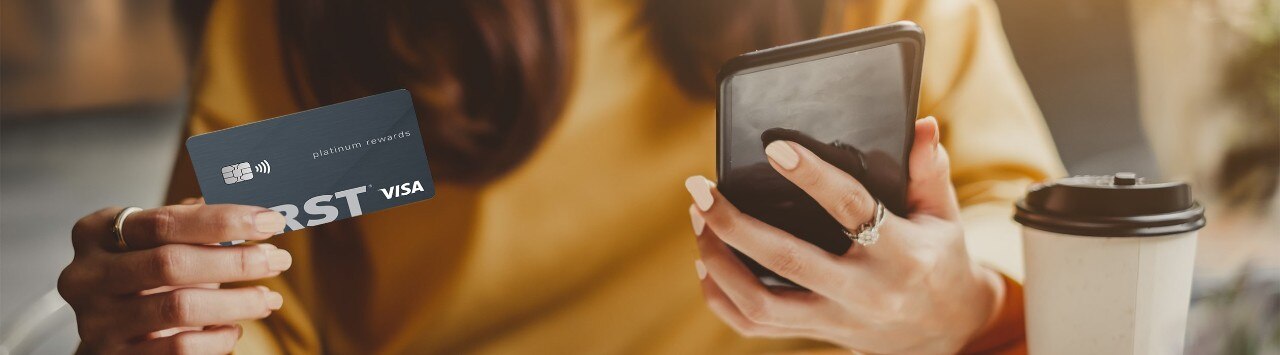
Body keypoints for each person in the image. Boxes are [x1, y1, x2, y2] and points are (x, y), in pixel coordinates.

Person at [58, 0, 1062, 353]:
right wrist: (168, 317)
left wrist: (960, 302)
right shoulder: (307, 20)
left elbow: (1021, 220)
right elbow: (249, 307)